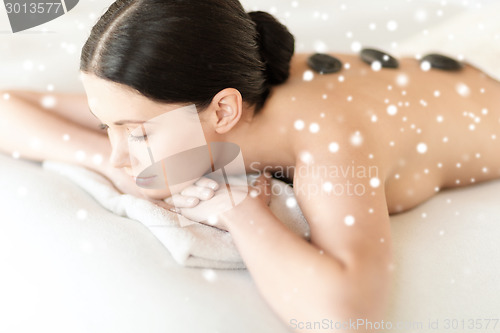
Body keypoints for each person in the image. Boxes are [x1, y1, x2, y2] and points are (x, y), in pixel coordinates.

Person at [1, 0, 499, 331]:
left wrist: (242, 213)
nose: (118, 148)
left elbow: (346, 314)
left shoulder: (329, 143)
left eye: (139, 133)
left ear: (222, 110)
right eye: (105, 125)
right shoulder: (201, 89)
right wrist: (110, 168)